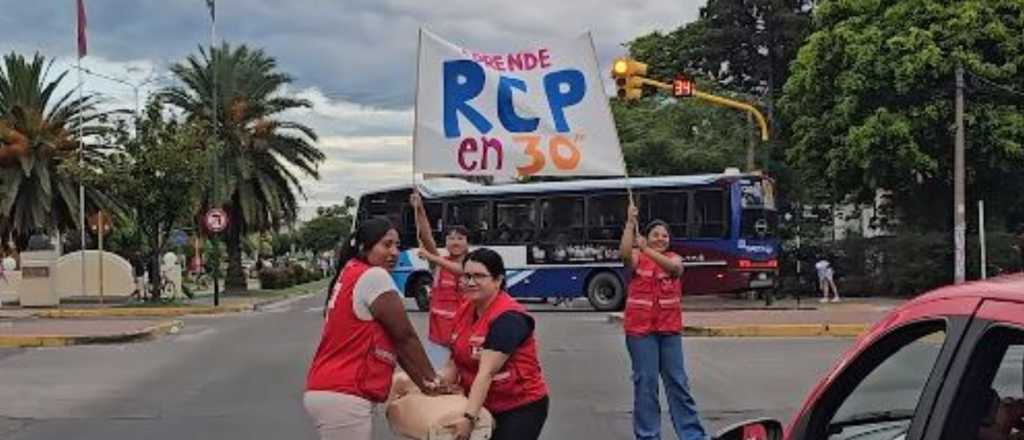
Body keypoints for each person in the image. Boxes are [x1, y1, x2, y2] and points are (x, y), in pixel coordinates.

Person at [305, 217, 444, 440]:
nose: (395, 252)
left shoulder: (351, 271)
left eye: (397, 245)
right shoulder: (374, 276)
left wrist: (425, 383)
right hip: (345, 392)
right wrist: (433, 382)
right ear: (364, 247)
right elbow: (405, 337)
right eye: (386, 244)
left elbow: (398, 342)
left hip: (331, 389)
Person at [441, 248, 550, 440]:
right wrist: (441, 390)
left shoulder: (509, 318)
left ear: (498, 280)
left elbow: (487, 373)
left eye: (479, 276)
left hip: (518, 406)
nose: (471, 282)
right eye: (466, 276)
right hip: (480, 402)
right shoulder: (465, 309)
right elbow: (453, 360)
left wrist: (469, 418)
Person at [619, 204, 707, 440]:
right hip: (640, 332)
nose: (661, 238)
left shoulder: (673, 258)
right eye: (655, 234)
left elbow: (675, 269)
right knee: (646, 385)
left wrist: (647, 249)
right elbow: (625, 254)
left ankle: (692, 435)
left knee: (678, 383)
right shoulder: (638, 258)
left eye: (665, 235)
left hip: (669, 331)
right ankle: (648, 436)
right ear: (646, 237)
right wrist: (629, 223)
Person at [410, 191, 472, 370]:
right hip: (438, 339)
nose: (455, 241)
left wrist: (432, 257)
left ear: (468, 243)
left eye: (460, 238)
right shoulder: (439, 263)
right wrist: (420, 209)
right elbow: (426, 236)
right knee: (436, 382)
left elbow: (462, 271)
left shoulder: (474, 264)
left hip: (465, 338)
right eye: (451, 237)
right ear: (445, 242)